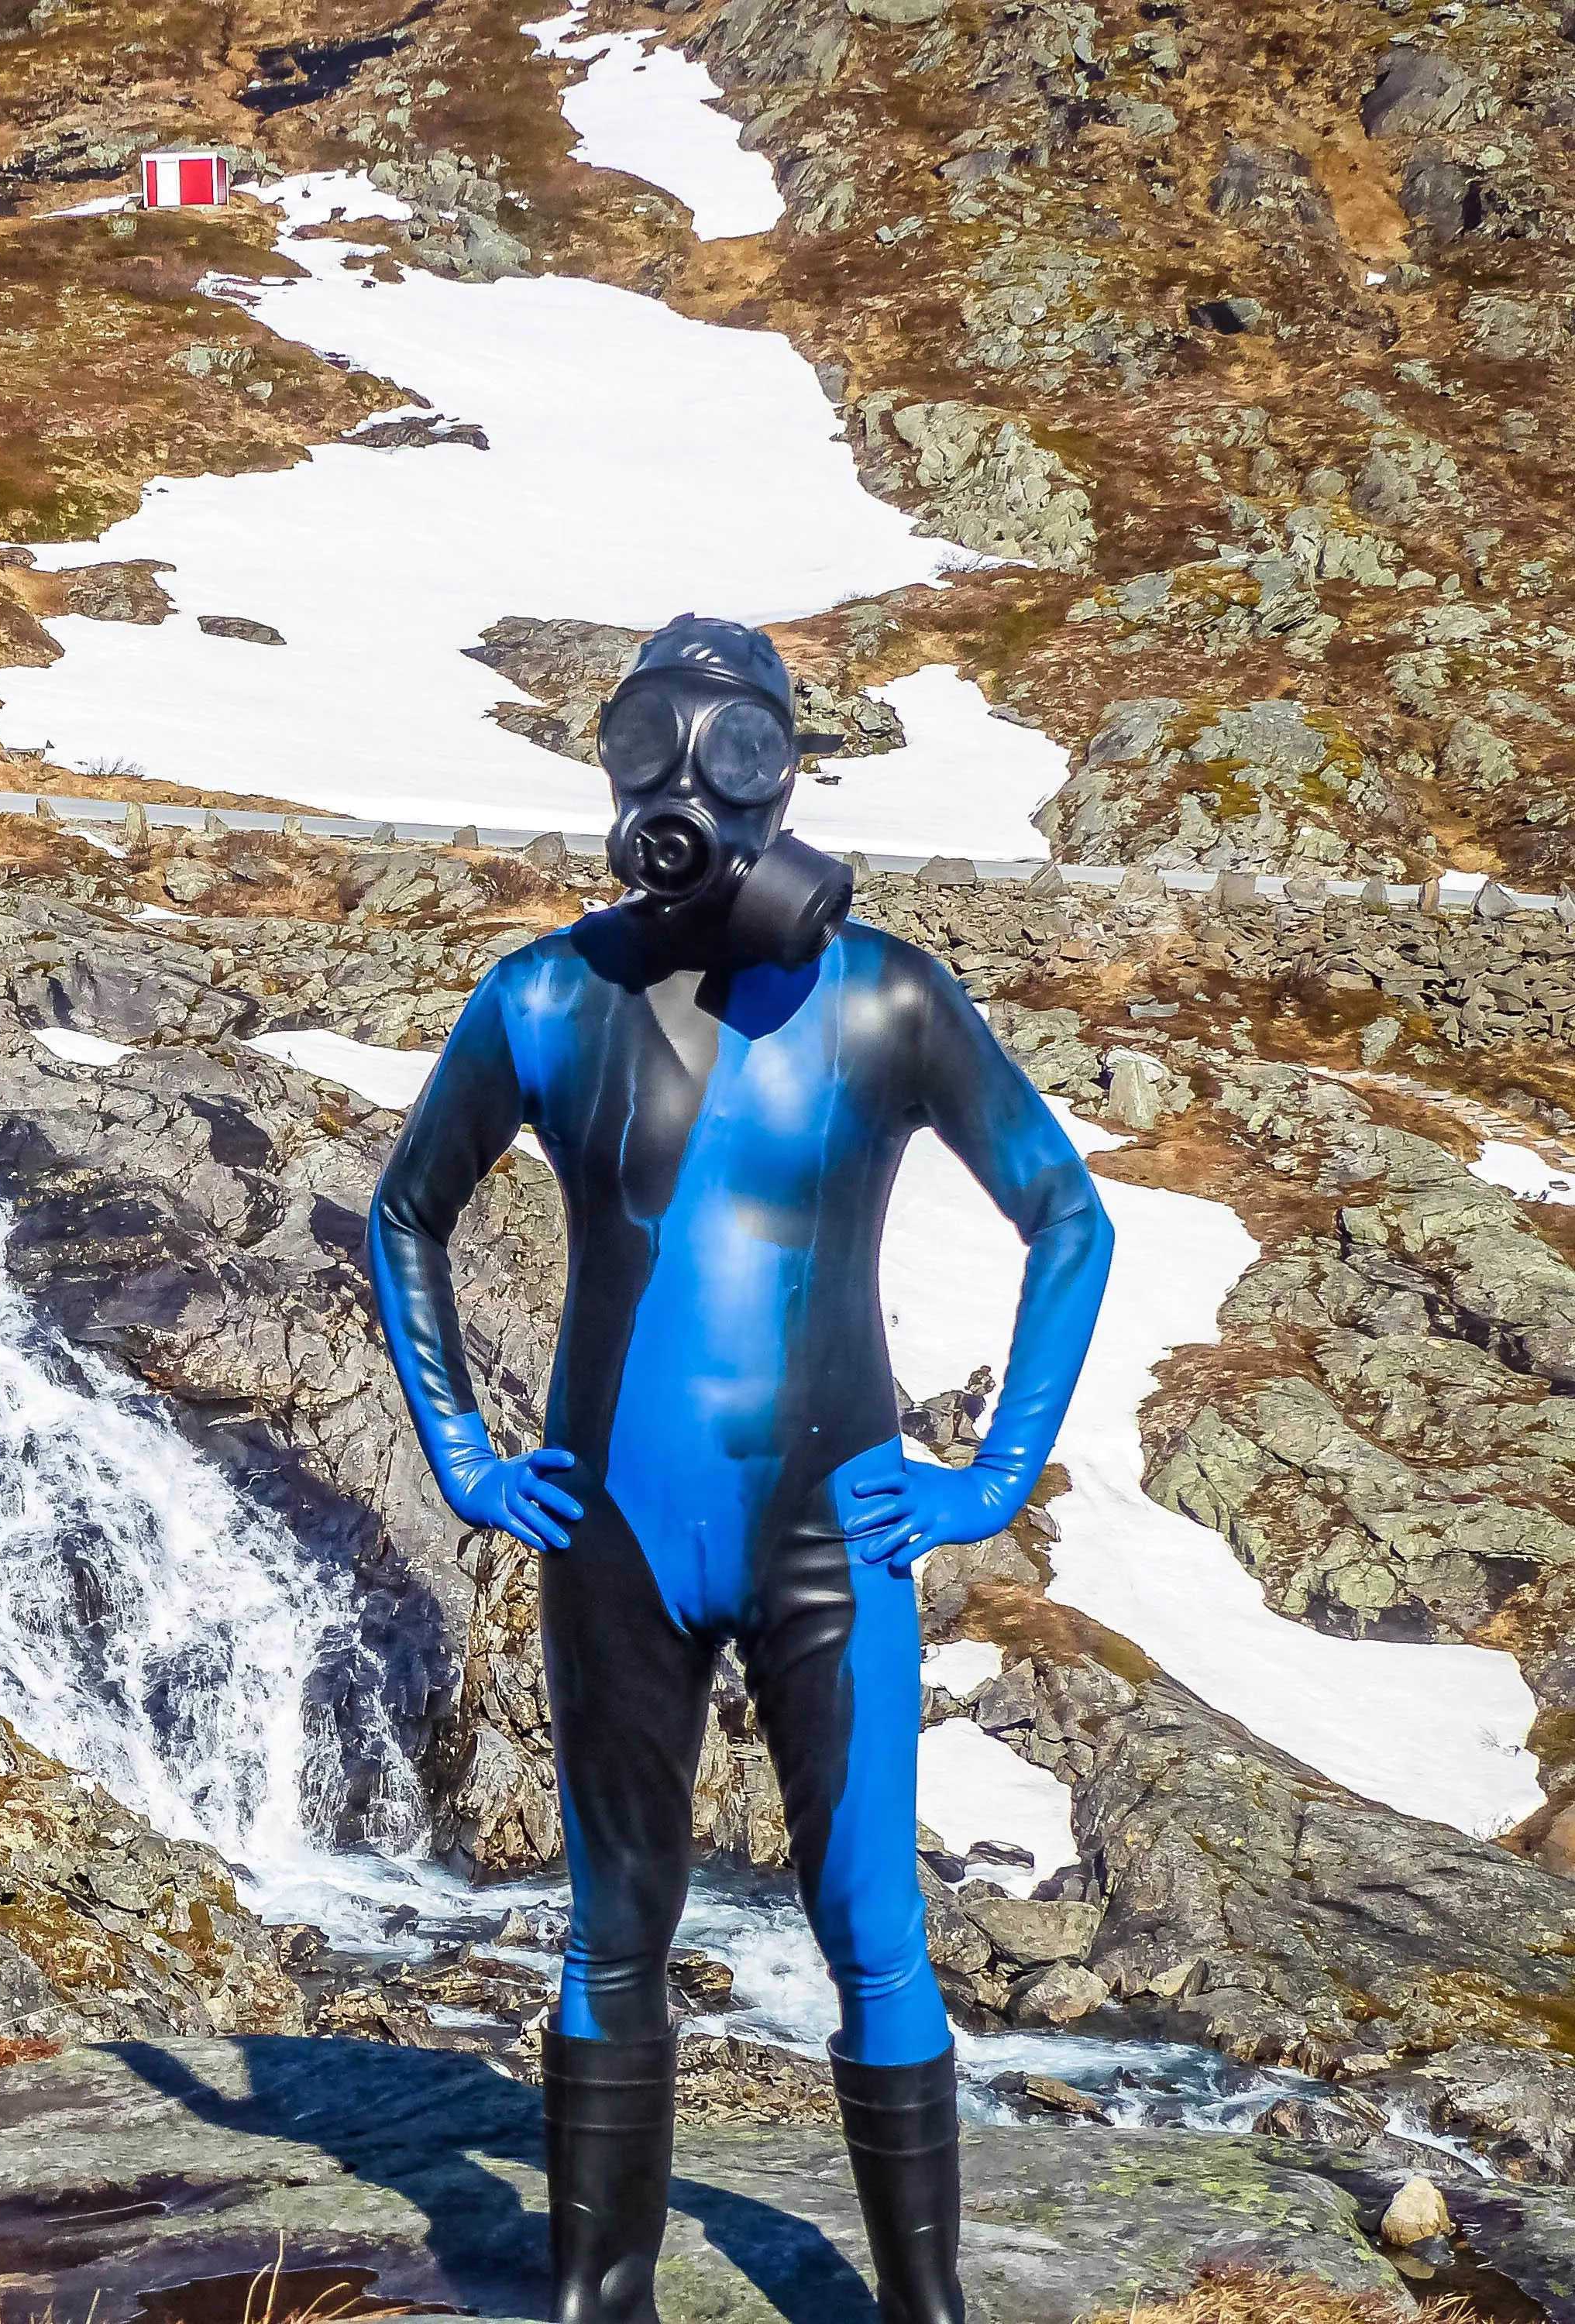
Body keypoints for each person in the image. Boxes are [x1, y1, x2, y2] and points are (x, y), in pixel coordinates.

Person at [368, 616, 1112, 2324]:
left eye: (738, 749)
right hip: (611, 1535)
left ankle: (915, 2307)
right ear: (613, 765)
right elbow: (402, 1206)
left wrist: (989, 1480)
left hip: (823, 1538)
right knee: (606, 1931)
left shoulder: (884, 996)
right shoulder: (547, 995)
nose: (688, 782)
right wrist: (467, 1459)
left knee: (871, 1933)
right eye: (648, 740)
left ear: (789, 770)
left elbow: (1066, 1215)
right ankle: (594, 2299)